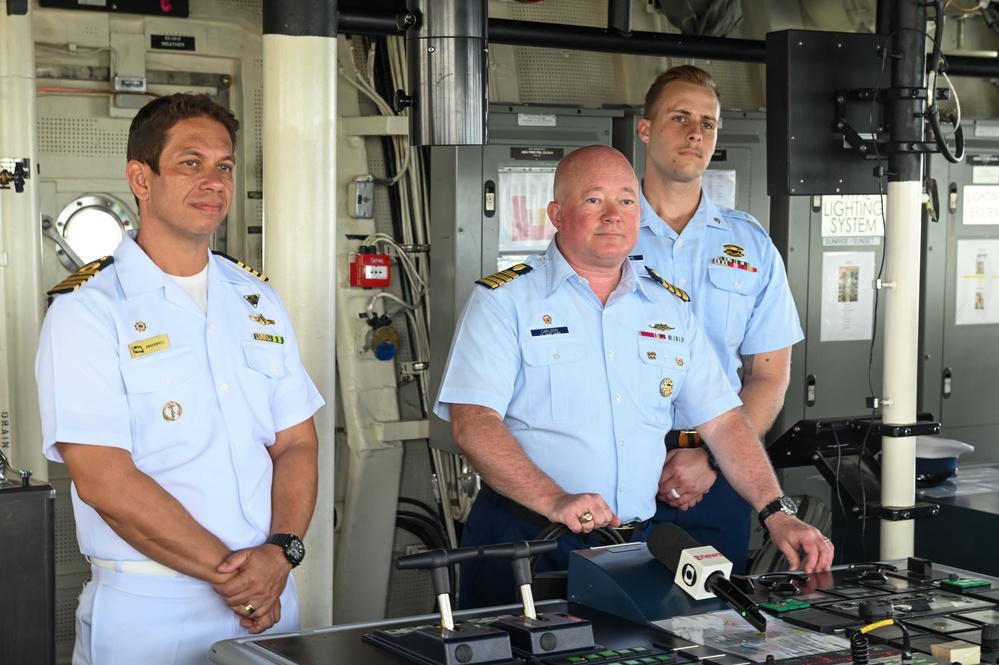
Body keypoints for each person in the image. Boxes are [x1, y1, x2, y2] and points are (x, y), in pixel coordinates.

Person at [433, 145, 831, 609]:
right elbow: (473, 422)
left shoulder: (670, 307)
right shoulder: (504, 302)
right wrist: (555, 499)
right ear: (557, 214)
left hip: (636, 546)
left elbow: (723, 422)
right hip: (530, 538)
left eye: (625, 201)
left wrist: (777, 513)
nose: (613, 215)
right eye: (593, 200)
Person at [35, 93, 325, 664]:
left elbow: (295, 442)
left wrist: (281, 554)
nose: (213, 181)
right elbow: (104, 479)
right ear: (140, 179)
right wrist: (237, 576)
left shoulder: (256, 299)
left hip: (268, 595)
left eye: (223, 166)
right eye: (191, 163)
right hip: (153, 606)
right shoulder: (88, 309)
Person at [634, 65, 805, 573]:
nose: (695, 133)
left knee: (712, 633)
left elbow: (769, 375)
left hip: (720, 475)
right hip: (617, 471)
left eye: (707, 123)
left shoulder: (750, 244)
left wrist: (709, 462)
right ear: (645, 129)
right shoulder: (605, 235)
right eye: (680, 117)